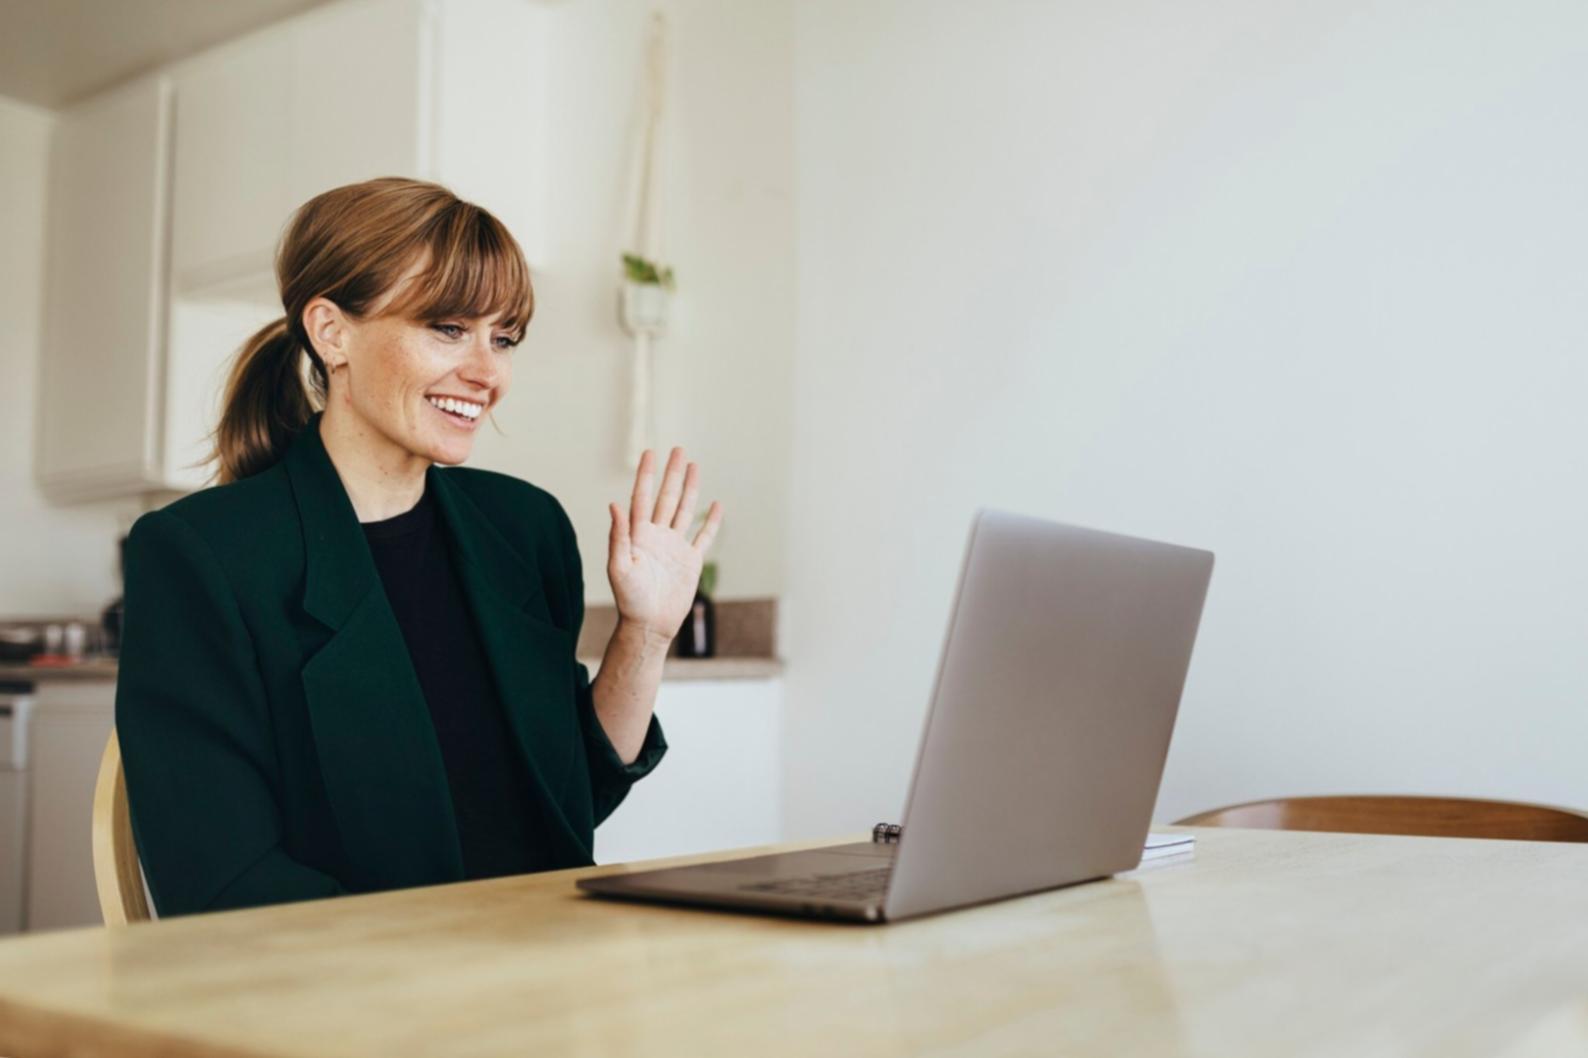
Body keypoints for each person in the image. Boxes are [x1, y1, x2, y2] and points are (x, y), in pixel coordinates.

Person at [114, 177, 721, 918]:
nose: (488, 372)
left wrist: (646, 634)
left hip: (544, 980)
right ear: (332, 332)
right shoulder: (200, 555)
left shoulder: (525, 531)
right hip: (354, 1007)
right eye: (447, 327)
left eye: (503, 338)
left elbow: (566, 809)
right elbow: (219, 884)